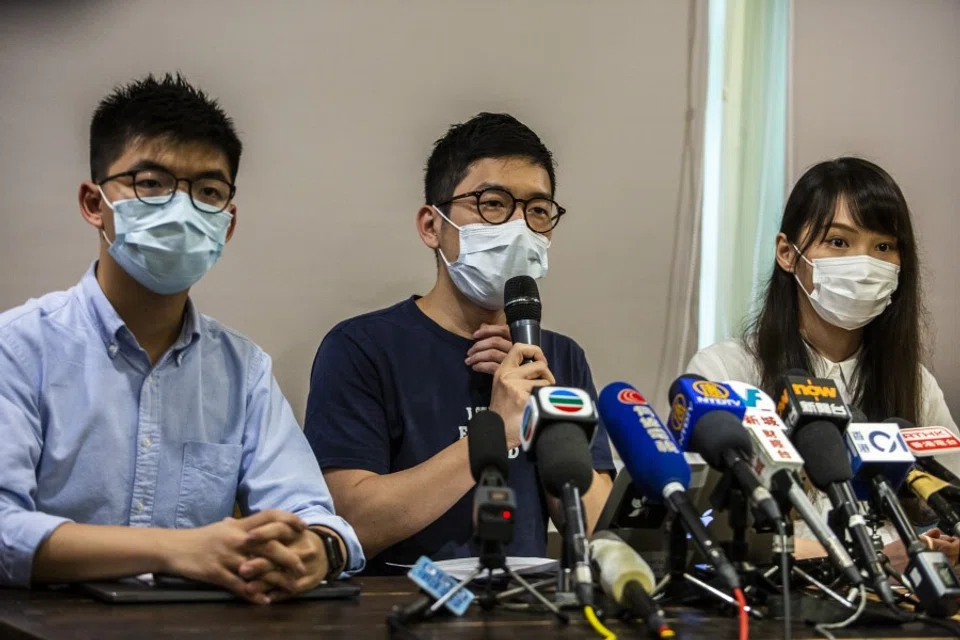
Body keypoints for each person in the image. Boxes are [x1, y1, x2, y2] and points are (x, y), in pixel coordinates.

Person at [0, 74, 363, 601]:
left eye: (208, 192)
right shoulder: (19, 346)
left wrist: (317, 550)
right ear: (93, 202)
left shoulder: (243, 370)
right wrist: (173, 549)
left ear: (227, 224)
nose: (183, 207)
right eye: (152, 183)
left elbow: (314, 515)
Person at [304, 113, 615, 574]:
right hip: (401, 605)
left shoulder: (560, 356)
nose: (519, 227)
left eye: (538, 210)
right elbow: (350, 521)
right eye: (492, 203)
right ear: (432, 225)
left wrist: (545, 421)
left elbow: (596, 531)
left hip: (528, 607)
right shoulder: (362, 347)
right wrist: (497, 428)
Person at [686, 156, 958, 567]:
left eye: (883, 247)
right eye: (839, 242)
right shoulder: (726, 375)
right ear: (787, 253)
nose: (865, 264)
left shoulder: (915, 385)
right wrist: (869, 559)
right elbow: (703, 527)